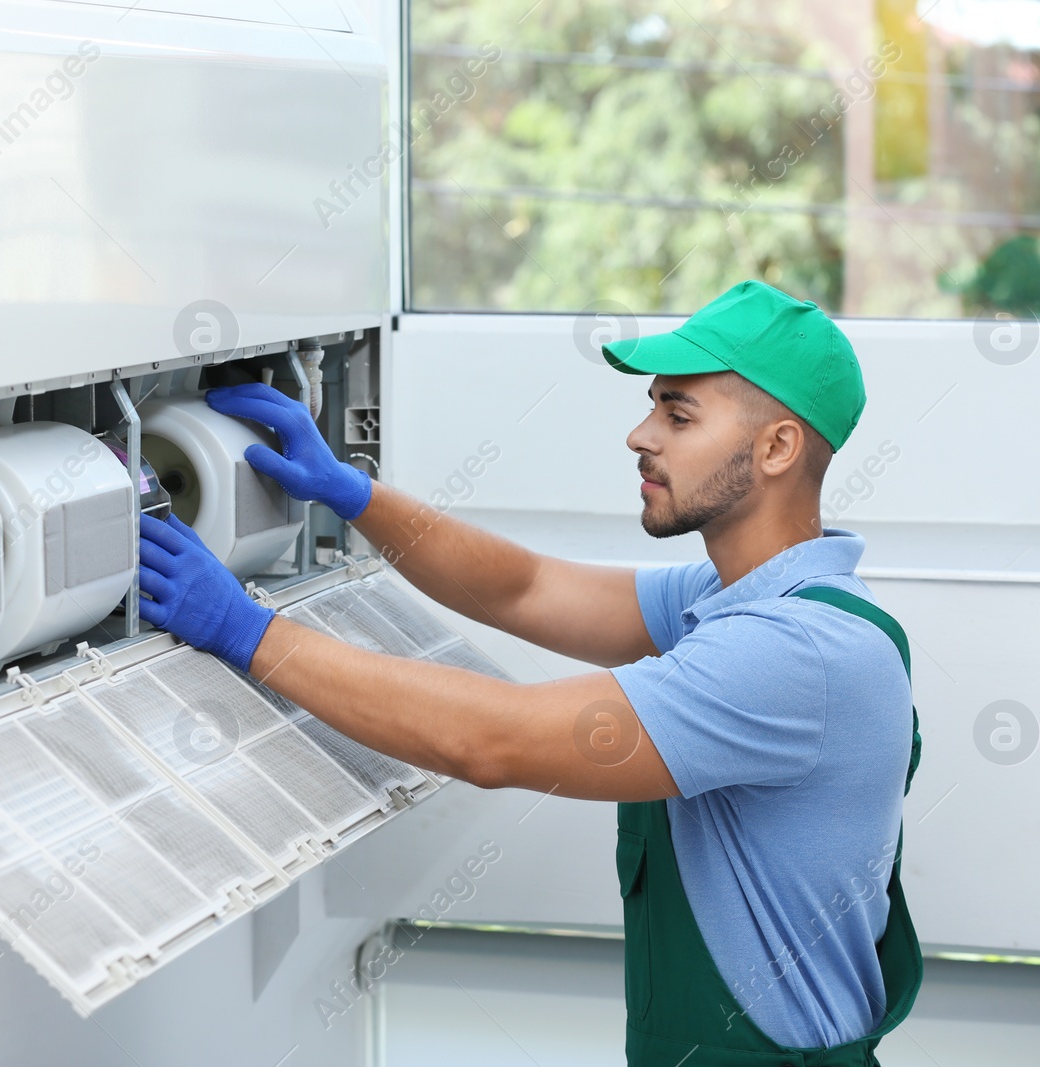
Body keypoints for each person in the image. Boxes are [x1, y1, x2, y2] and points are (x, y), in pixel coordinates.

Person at [135, 280, 923, 1065]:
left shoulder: (793, 654)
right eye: (653, 406)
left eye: (678, 416)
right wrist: (354, 494)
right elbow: (528, 587)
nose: (640, 435)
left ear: (778, 447)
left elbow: (494, 738)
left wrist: (246, 630)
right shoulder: (737, 601)